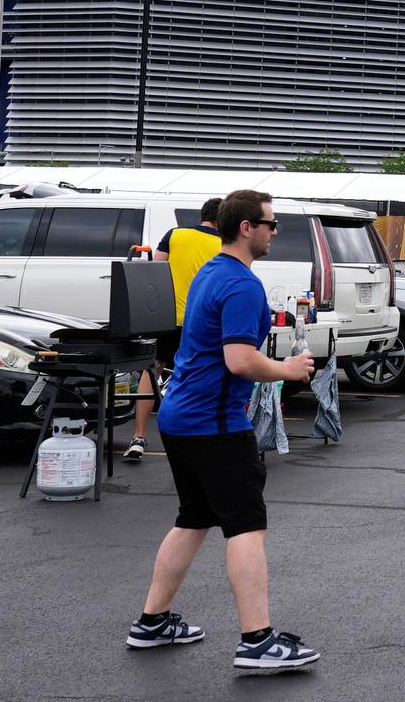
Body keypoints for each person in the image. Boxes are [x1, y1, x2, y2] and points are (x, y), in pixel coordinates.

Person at [126, 190, 320, 670]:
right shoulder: (239, 284)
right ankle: (257, 640)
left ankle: (152, 622)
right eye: (270, 224)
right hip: (212, 423)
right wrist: (289, 369)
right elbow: (239, 360)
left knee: (193, 519)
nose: (276, 232)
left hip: (180, 417)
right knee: (246, 526)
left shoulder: (213, 272)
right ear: (246, 228)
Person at [125, 197, 223, 461]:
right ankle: (192, 438)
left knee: (153, 368)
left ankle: (138, 437)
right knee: (195, 373)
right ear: (222, 219)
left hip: (168, 318)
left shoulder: (175, 234)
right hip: (201, 322)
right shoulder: (224, 245)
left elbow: (155, 271)